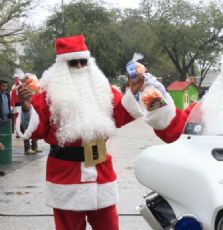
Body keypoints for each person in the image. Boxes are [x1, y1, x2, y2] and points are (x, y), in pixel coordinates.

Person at [16, 34, 144, 230]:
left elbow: (121, 114)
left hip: (100, 169)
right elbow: (38, 129)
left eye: (82, 61)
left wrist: (133, 92)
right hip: (65, 173)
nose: (78, 67)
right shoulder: (48, 93)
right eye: (72, 62)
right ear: (60, 66)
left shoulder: (103, 89)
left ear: (88, 62)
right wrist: (26, 108)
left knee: (109, 226)